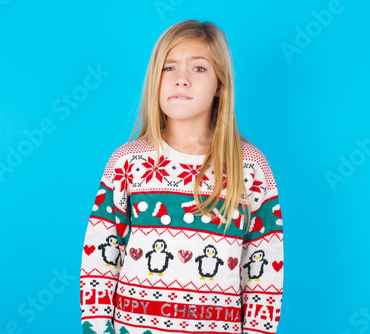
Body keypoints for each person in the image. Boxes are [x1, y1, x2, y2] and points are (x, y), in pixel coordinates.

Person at [80, 19, 284, 334]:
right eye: (169, 68)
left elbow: (263, 269)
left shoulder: (250, 167)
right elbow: (101, 259)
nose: (182, 80)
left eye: (199, 69)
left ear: (220, 85)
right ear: (155, 81)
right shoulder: (128, 162)